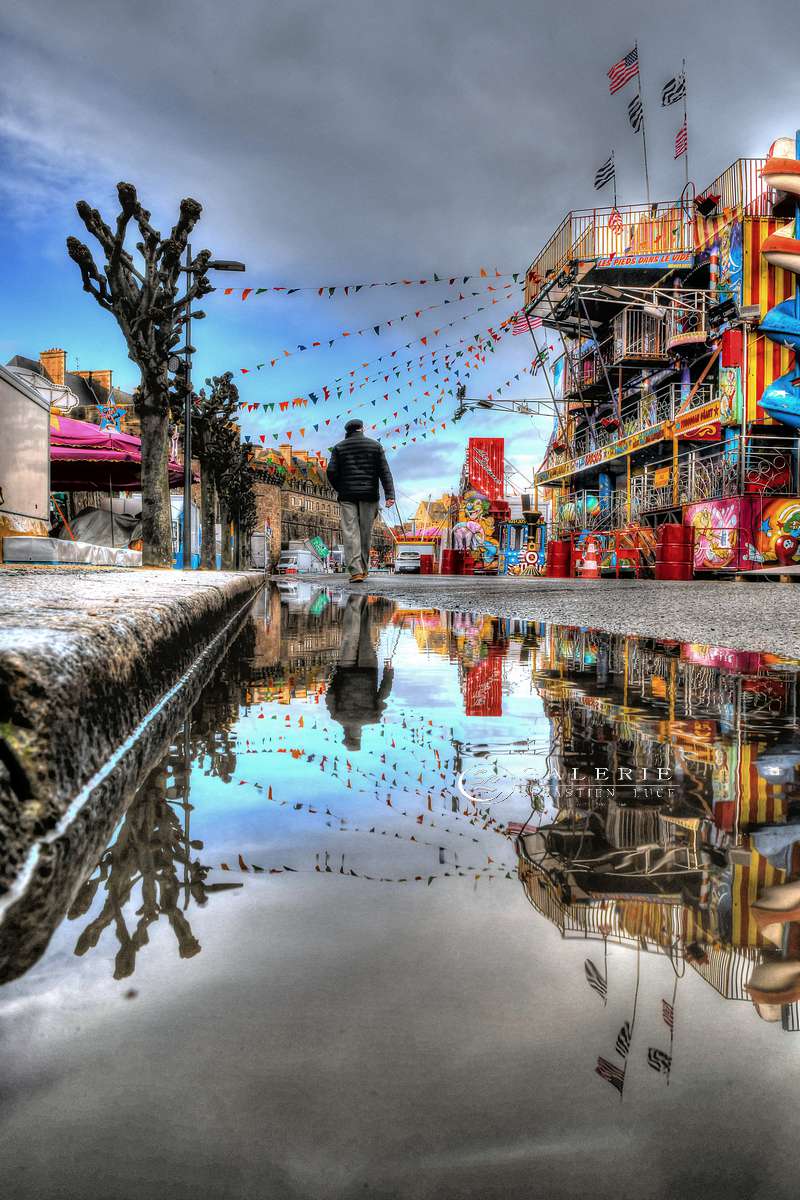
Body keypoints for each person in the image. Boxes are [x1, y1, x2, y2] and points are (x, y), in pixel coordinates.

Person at [326, 418, 395, 582]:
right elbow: (385, 472)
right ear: (362, 429)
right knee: (365, 532)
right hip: (369, 495)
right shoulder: (375, 446)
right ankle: (364, 569)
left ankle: (355, 571)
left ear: (347, 431)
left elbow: (331, 471)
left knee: (350, 532)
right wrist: (389, 495)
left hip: (347, 495)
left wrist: (340, 487)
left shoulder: (338, 447)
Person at [325, 595, 393, 750]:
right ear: (347, 735)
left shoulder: (373, 718)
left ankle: (364, 603)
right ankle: (355, 601)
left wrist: (389, 674)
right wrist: (331, 672)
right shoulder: (337, 716)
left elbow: (384, 692)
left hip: (368, 669)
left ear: (359, 736)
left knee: (366, 635)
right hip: (345, 670)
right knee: (350, 638)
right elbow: (330, 694)